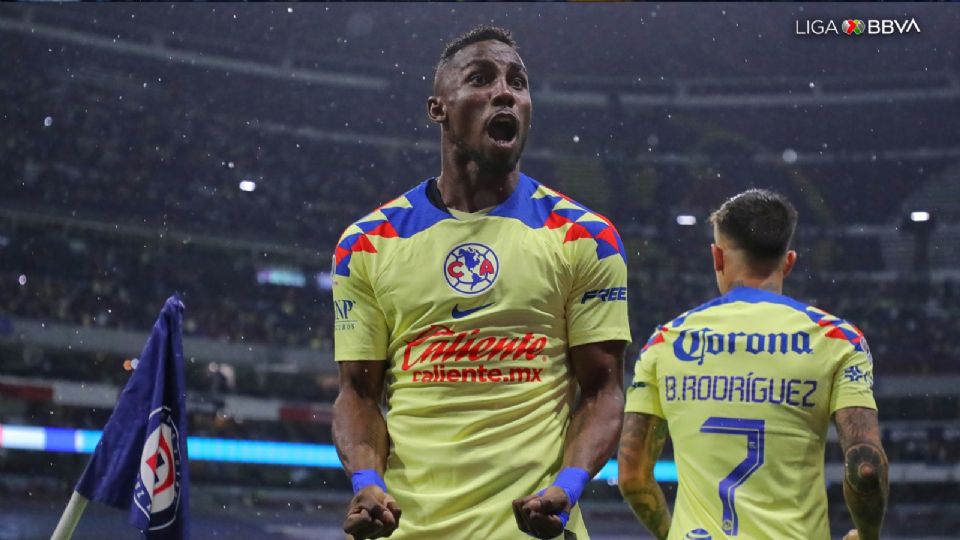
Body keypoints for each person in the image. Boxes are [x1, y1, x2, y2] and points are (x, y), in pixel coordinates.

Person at [331, 26, 631, 540]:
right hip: (407, 529)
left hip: (535, 528)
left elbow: (603, 389)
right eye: (481, 78)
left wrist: (569, 485)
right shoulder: (366, 242)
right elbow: (358, 393)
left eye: (518, 81)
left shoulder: (585, 236)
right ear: (438, 109)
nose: (505, 92)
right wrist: (365, 480)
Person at [617, 189, 888, 540]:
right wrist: (867, 535)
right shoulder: (837, 340)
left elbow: (632, 475)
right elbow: (865, 466)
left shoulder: (666, 341)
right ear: (788, 261)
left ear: (717, 257)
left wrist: (670, 533)